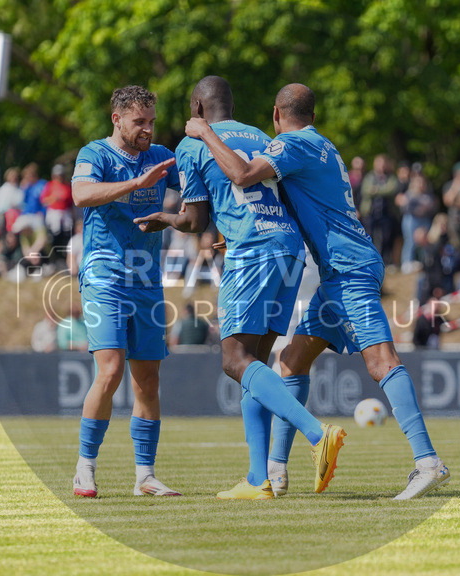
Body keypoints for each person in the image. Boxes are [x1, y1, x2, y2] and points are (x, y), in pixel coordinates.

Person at [185, 83, 447, 500]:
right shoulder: (323, 144)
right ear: (314, 113)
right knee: (290, 361)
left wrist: (205, 133)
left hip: (348, 266)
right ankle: (276, 470)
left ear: (275, 115)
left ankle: (427, 461)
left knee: (381, 361)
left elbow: (241, 173)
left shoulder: (291, 145)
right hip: (341, 268)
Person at [139, 76, 345, 499]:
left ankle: (315, 433)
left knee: (234, 360)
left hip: (253, 252)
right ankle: (258, 479)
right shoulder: (257, 134)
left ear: (197, 107)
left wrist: (165, 219)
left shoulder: (194, 142)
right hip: (287, 247)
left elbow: (194, 220)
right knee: (257, 363)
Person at [68, 85, 182, 498]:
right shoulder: (94, 155)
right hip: (104, 277)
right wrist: (136, 184)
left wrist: (170, 219)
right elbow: (81, 194)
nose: (147, 130)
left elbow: (196, 201)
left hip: (148, 281)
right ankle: (85, 468)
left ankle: (145, 477)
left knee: (148, 380)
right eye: (139, 122)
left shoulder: (162, 156)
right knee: (111, 369)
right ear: (116, 119)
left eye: (151, 121)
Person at [41, 164, 74, 258]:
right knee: (54, 234)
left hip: (65, 212)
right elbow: (44, 200)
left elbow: (71, 202)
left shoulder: (67, 186)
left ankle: (64, 256)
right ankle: (55, 256)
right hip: (54, 212)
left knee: (67, 233)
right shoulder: (50, 185)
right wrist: (54, 198)